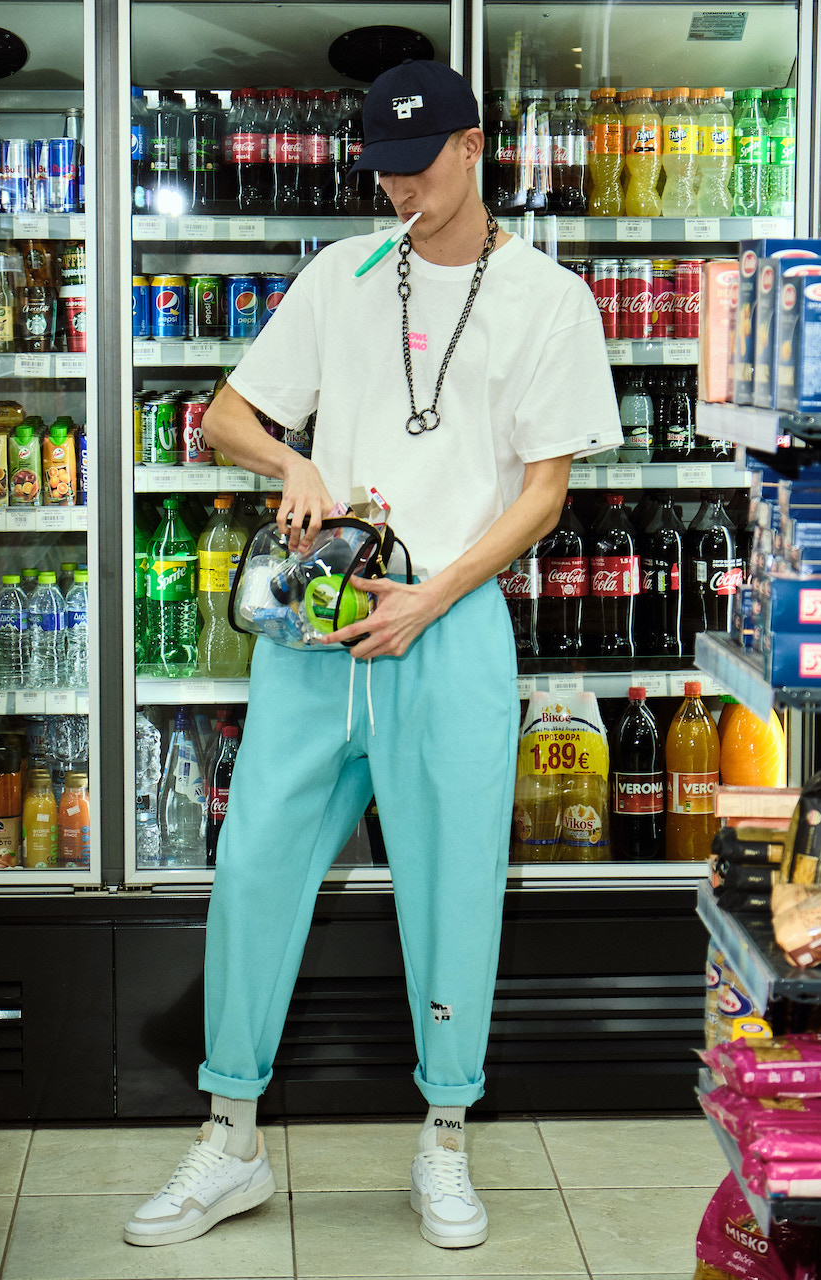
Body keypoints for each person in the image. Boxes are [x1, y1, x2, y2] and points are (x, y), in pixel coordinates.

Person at [124, 59, 621, 1252]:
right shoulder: (339, 275)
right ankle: (230, 1137)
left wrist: (431, 596)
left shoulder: (549, 299)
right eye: (381, 170)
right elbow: (225, 416)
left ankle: (443, 1139)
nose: (397, 189)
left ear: (470, 147)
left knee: (452, 886)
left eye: (415, 165)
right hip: (318, 627)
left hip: (447, 628)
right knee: (254, 866)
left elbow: (543, 493)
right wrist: (290, 460)